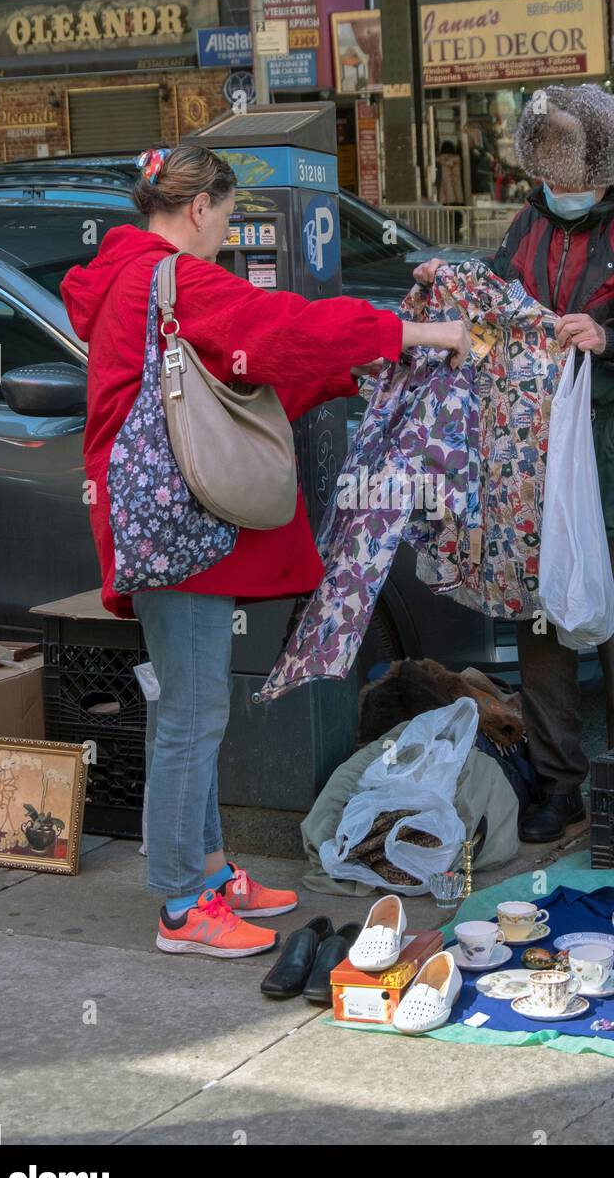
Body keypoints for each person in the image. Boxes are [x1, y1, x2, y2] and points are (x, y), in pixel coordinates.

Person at [62, 145, 469, 958]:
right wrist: (412, 330)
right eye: (226, 213)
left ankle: (208, 872)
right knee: (191, 713)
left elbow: (237, 373)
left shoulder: (122, 277)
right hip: (181, 528)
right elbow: (283, 329)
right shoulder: (178, 279)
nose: (226, 231)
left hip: (154, 516)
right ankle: (183, 906)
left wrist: (354, 371)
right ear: (199, 209)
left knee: (192, 704)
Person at [414, 84, 614, 842]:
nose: (556, 196)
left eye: (569, 185)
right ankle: (560, 787)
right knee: (543, 628)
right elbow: (493, 314)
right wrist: (447, 291)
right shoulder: (528, 226)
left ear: (608, 170)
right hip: (535, 471)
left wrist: (613, 341)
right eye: (546, 183)